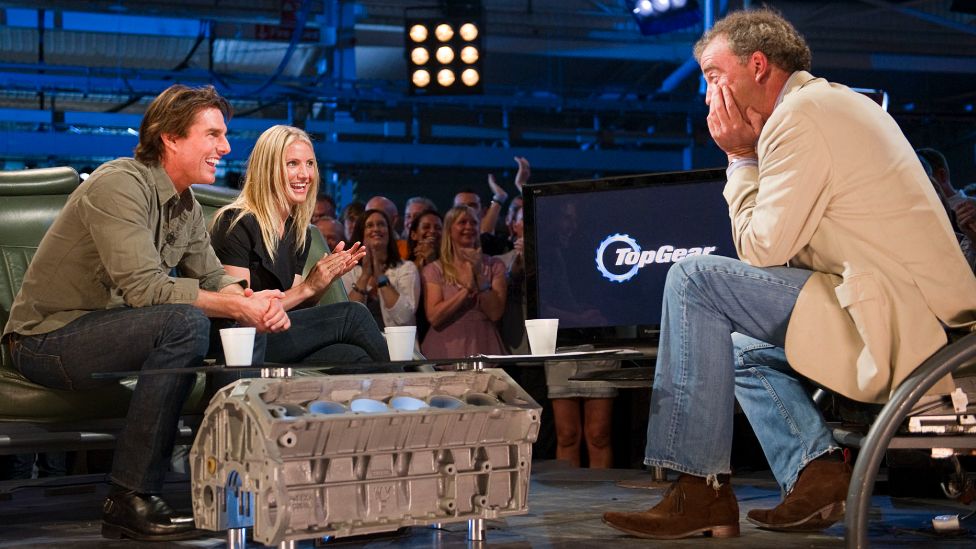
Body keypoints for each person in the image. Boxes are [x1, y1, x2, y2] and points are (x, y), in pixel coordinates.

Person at [602, 8, 976, 540]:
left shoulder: (803, 115)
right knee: (732, 344)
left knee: (693, 279)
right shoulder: (822, 106)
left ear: (757, 65)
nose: (707, 95)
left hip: (909, 320)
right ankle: (815, 471)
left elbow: (759, 250)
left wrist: (737, 158)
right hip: (880, 304)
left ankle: (697, 491)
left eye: (713, 76)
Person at [2, 84, 292, 541]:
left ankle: (234, 483)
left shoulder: (186, 204)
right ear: (170, 138)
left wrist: (251, 299)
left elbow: (214, 277)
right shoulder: (120, 183)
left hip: (108, 333)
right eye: (213, 134)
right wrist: (235, 303)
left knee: (239, 327)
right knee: (185, 321)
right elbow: (145, 289)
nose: (226, 147)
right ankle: (129, 496)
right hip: (46, 339)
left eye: (224, 135)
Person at [210, 125, 390, 366]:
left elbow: (295, 306)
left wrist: (321, 283)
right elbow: (241, 311)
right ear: (268, 169)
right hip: (243, 341)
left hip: (279, 332)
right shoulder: (235, 222)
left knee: (355, 358)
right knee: (351, 314)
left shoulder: (298, 231)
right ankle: (415, 386)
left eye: (310, 164)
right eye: (292, 164)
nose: (305, 174)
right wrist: (307, 287)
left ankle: (398, 400)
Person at [421, 206, 507, 358]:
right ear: (449, 230)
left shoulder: (495, 265)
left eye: (473, 223)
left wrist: (479, 274)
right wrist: (466, 290)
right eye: (462, 222)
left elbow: (495, 313)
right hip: (443, 353)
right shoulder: (433, 270)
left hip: (485, 349)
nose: (469, 227)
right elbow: (434, 317)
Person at [341, 208, 421, 332]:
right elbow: (347, 318)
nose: (376, 229)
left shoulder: (406, 268)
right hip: (359, 347)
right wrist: (364, 276)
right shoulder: (349, 270)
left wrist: (380, 277)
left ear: (389, 232)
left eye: (381, 224)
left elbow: (404, 317)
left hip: (397, 346)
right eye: (370, 225)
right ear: (361, 233)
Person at [407, 209, 444, 343]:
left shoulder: (450, 266)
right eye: (426, 227)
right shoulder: (404, 266)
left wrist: (432, 261)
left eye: (438, 228)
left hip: (441, 330)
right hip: (413, 334)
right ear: (414, 234)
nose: (433, 231)